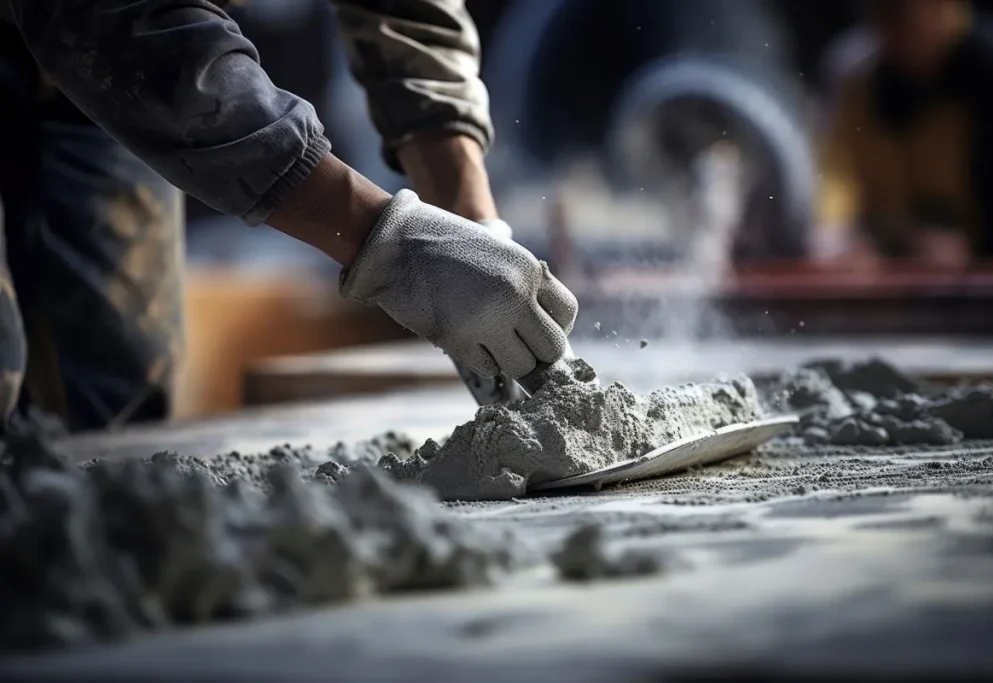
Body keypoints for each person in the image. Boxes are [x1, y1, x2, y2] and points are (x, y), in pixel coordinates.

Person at [1, 0, 578, 433]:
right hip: (117, 28)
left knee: (115, 389)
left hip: (110, 68)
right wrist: (389, 244)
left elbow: (411, 15)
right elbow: (126, 24)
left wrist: (473, 230)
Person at [813, 0, 993, 269]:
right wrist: (833, 227)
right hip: (897, 261)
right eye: (883, 16)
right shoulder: (861, 76)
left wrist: (987, 261)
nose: (893, 30)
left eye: (906, 18)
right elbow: (839, 168)